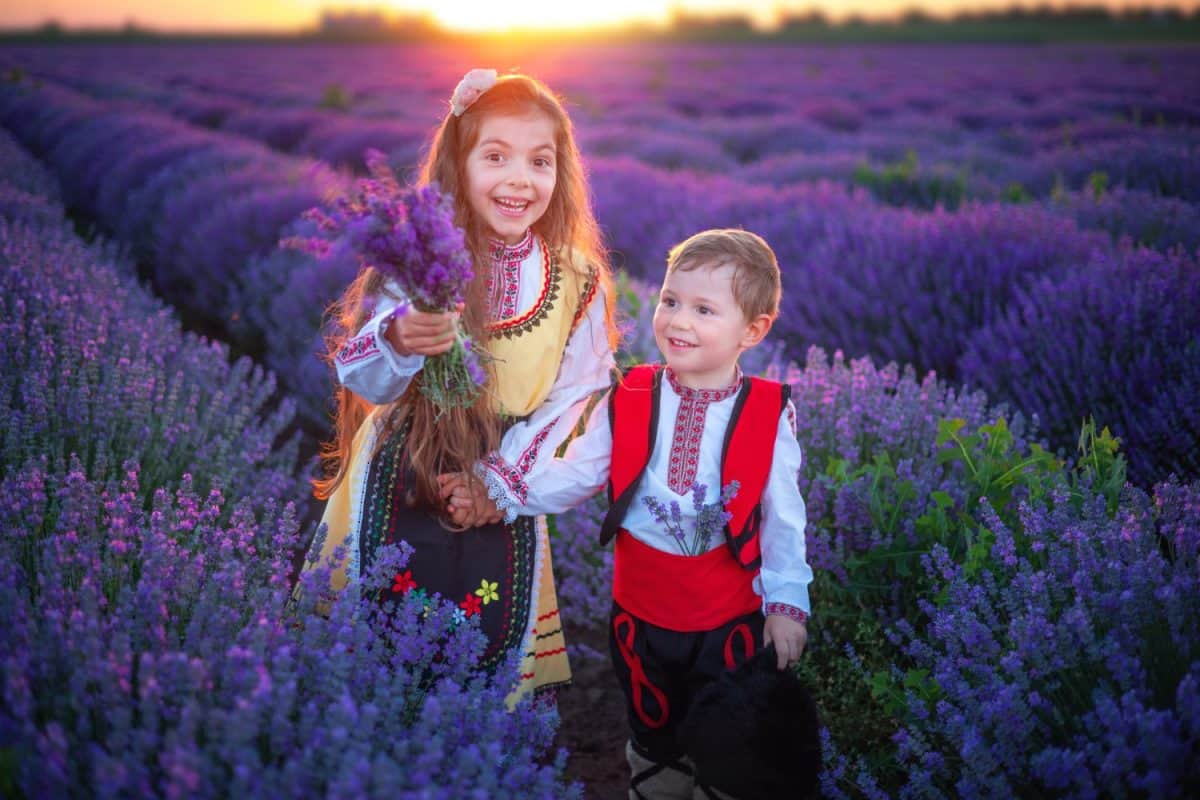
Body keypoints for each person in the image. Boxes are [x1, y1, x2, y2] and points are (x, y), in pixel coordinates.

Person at [445, 229, 812, 799]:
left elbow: (784, 517)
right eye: (671, 301)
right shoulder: (633, 394)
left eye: (704, 310)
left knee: (734, 740)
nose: (678, 321)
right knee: (653, 733)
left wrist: (787, 604)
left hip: (730, 617)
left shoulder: (768, 411)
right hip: (641, 612)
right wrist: (504, 492)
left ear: (754, 330)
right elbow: (581, 473)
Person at [302, 68, 618, 705]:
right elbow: (363, 378)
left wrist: (499, 487)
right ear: (459, 162)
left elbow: (579, 404)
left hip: (505, 482)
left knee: (483, 661)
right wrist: (398, 339)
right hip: (403, 473)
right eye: (495, 156)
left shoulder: (577, 281)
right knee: (371, 659)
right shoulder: (421, 260)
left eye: (540, 161)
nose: (519, 180)